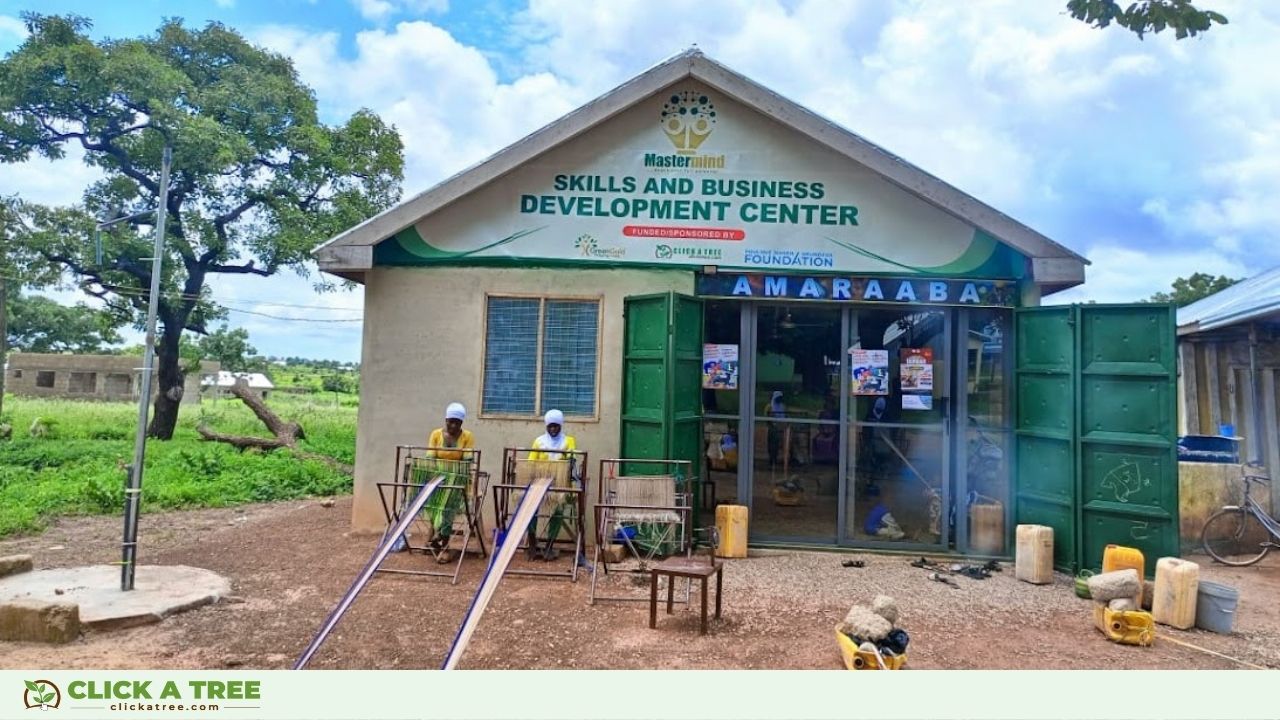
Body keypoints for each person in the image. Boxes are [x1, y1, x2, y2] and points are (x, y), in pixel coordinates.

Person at [422, 402, 475, 563]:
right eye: (450, 421)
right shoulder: (436, 435)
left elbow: (467, 460)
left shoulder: (467, 437)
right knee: (433, 505)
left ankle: (444, 544)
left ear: (461, 423)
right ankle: (437, 537)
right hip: (438, 479)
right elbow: (431, 457)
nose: (453, 425)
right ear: (445, 419)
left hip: (457, 480)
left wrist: (455, 474)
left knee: (446, 508)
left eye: (457, 423)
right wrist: (433, 475)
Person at [527, 409, 578, 560]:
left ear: (561, 425)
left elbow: (571, 460)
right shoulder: (539, 441)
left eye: (556, 426)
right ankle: (532, 545)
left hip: (560, 486)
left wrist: (565, 461)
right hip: (541, 485)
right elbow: (531, 462)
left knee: (559, 510)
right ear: (546, 426)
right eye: (550, 426)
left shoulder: (568, 441)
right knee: (529, 509)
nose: (553, 429)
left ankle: (549, 546)